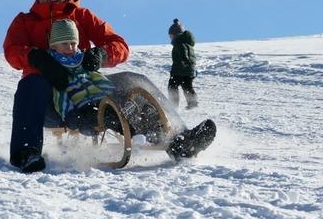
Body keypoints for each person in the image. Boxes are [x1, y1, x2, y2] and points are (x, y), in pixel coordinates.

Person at [3, 0, 129, 173]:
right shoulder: (25, 21)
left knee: (131, 80)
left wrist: (101, 54)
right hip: (48, 101)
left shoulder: (81, 15)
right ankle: (27, 152)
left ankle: (172, 137)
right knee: (31, 85)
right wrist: (36, 58)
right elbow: (12, 50)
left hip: (85, 90)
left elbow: (119, 44)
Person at [46, 19, 217, 162]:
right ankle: (144, 137)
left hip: (102, 94)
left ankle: (179, 140)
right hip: (84, 108)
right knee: (114, 116)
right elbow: (61, 99)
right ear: (54, 46)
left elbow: (117, 46)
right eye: (65, 44)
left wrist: (100, 54)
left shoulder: (82, 47)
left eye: (73, 43)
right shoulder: (54, 67)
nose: (70, 47)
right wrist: (74, 119)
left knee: (137, 98)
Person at [167, 18, 198, 109]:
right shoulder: (186, 43)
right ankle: (193, 103)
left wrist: (185, 61)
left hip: (181, 69)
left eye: (170, 36)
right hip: (189, 70)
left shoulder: (179, 43)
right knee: (187, 86)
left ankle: (173, 104)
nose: (170, 38)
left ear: (175, 35)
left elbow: (184, 53)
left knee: (172, 86)